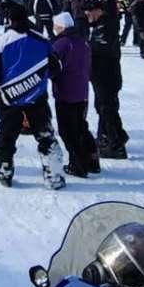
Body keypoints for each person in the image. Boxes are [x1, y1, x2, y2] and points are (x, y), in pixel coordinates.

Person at [0, 0, 66, 190]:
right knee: (46, 136)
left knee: (6, 136)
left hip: (10, 100)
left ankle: (5, 169)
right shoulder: (42, 40)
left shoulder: (2, 42)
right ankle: (54, 175)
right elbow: (56, 67)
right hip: (37, 98)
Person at [51, 11, 98, 178]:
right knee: (81, 127)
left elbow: (52, 67)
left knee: (67, 131)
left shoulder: (62, 44)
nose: (54, 28)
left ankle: (78, 165)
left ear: (61, 26)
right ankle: (92, 159)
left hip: (66, 92)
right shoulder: (82, 42)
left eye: (56, 25)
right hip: (82, 92)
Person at [86, 0, 128, 159]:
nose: (87, 14)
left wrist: (86, 49)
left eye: (90, 11)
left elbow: (101, 48)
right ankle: (107, 138)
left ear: (98, 11)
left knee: (107, 108)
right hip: (100, 75)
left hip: (107, 75)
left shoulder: (106, 26)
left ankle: (115, 142)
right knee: (103, 107)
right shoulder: (97, 26)